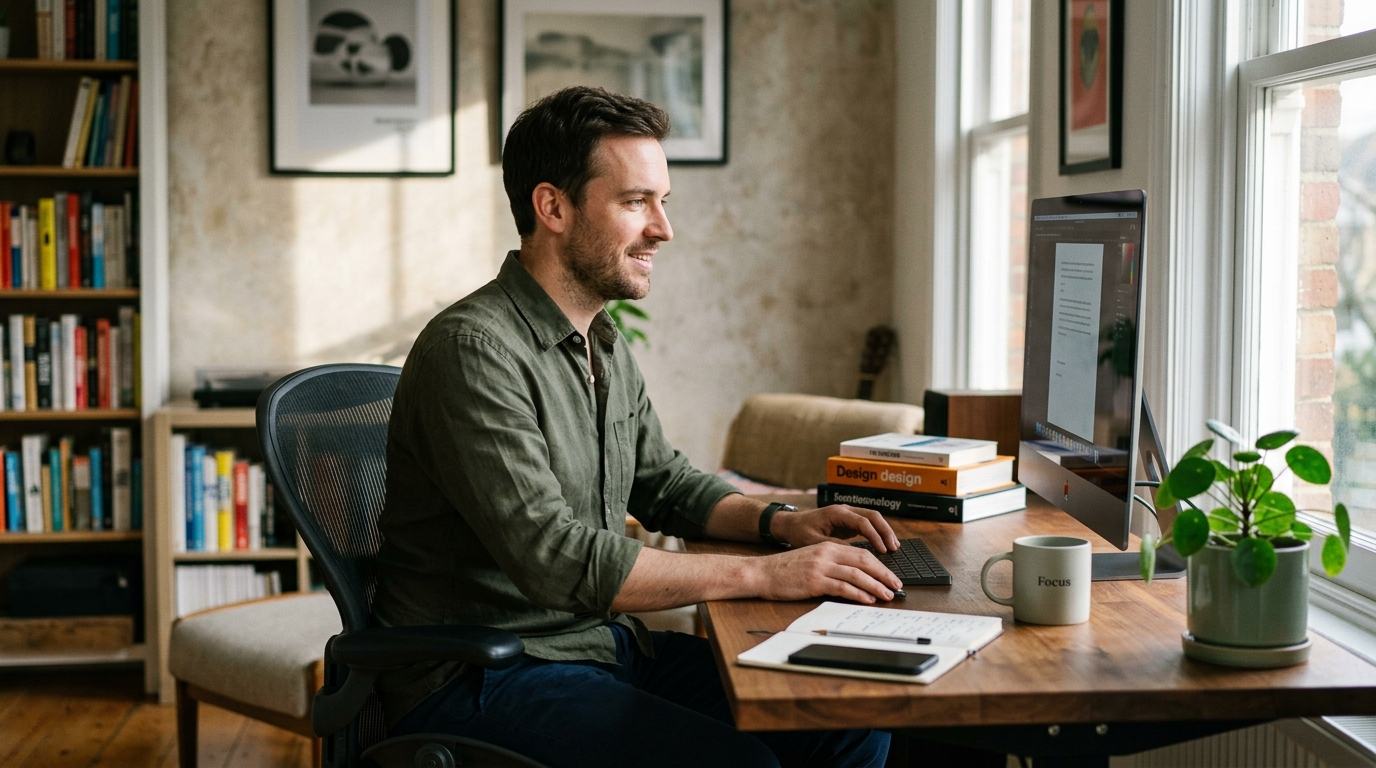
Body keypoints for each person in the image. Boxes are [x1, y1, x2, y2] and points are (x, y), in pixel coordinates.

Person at [372, 85, 904, 768]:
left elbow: (664, 481)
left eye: (662, 202)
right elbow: (555, 559)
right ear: (553, 207)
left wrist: (782, 524)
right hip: (483, 674)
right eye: (635, 202)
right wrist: (767, 576)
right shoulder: (473, 352)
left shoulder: (599, 338)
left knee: (847, 713)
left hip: (596, 648)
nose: (663, 228)